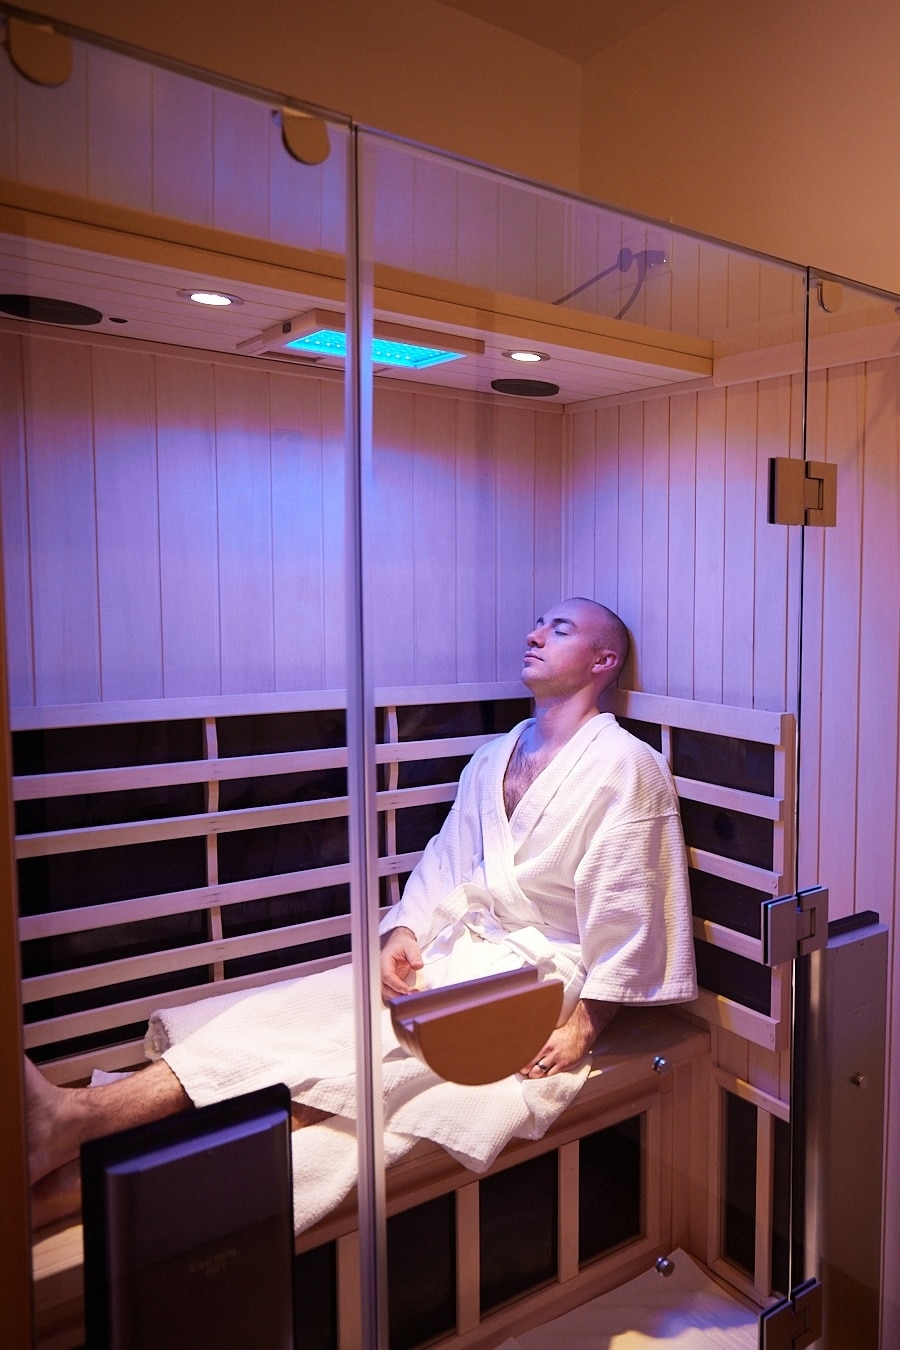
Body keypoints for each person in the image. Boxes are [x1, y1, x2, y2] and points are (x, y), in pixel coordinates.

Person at [26, 598, 697, 1228]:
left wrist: (586, 1022)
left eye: (558, 629)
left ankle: (77, 1121)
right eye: (537, 625)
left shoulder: (626, 768)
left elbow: (630, 901)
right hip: (462, 954)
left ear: (603, 661)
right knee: (291, 1014)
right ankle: (61, 1169)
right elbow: (447, 860)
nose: (533, 635)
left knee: (348, 1056)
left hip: (538, 984)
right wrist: (404, 931)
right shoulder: (496, 754)